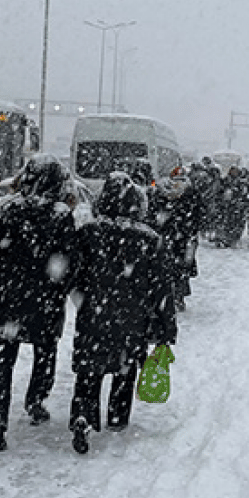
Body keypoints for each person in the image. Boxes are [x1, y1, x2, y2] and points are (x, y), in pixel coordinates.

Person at [0, 154, 78, 452]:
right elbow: (69, 261)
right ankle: (36, 400)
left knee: (2, 360)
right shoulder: (60, 215)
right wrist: (60, 288)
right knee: (45, 352)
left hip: (7, 297)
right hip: (44, 298)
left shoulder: (8, 211)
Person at [68, 171, 177, 454]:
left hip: (93, 313)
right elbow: (162, 288)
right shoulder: (149, 239)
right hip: (132, 317)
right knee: (124, 369)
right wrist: (167, 329)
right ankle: (117, 417)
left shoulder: (89, 233)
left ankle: (83, 415)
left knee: (88, 372)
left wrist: (83, 294)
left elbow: (73, 273)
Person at [149, 165, 205, 310]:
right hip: (184, 236)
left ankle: (168, 295)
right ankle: (178, 296)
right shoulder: (191, 192)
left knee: (165, 265)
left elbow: (154, 213)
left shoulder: (161, 191)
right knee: (182, 267)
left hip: (167, 235)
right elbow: (199, 213)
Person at [214, 164, 249, 248]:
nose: (234, 173)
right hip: (226, 208)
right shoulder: (224, 181)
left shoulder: (241, 183)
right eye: (233, 171)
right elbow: (218, 193)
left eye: (235, 171)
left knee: (236, 224)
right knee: (224, 223)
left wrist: (240, 202)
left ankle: (232, 239)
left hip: (236, 208)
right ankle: (223, 239)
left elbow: (244, 196)